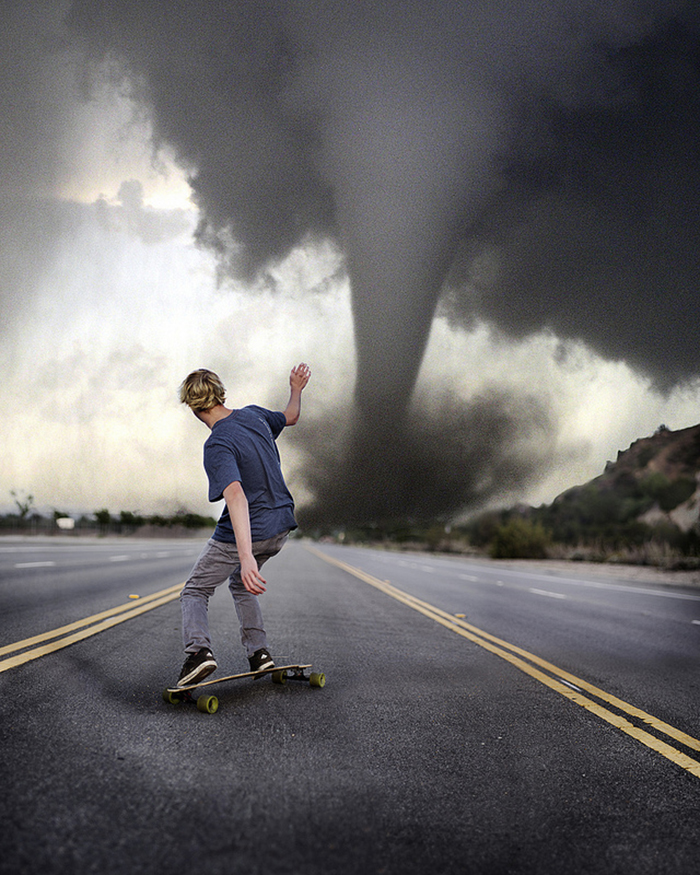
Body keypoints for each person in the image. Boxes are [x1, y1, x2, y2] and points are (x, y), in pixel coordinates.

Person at [176, 362, 311, 687]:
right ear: (220, 394)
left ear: (194, 407)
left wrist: (246, 555)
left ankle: (198, 654)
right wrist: (296, 388)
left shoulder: (217, 443)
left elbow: (235, 496)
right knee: (240, 584)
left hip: (252, 528)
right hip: (281, 524)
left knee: (195, 590)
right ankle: (260, 654)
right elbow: (290, 416)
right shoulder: (254, 415)